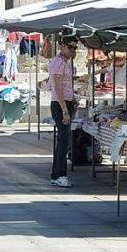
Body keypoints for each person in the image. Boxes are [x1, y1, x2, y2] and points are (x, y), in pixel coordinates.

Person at [48, 38, 78, 188]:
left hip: (66, 102)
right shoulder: (58, 63)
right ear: (63, 46)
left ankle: (58, 174)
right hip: (61, 104)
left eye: (75, 48)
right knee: (63, 141)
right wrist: (65, 110)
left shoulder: (64, 63)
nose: (73, 51)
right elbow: (57, 88)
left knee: (64, 140)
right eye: (71, 47)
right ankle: (59, 174)